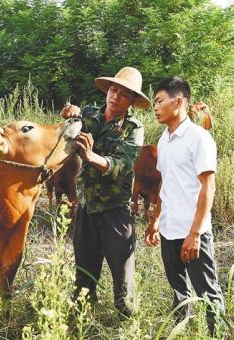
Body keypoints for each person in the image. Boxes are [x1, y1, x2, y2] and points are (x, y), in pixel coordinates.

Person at [61, 66, 150, 319]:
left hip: (115, 212)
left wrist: (90, 156)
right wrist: (69, 115)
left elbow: (121, 166)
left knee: (123, 283)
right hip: (86, 209)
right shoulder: (89, 115)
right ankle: (82, 323)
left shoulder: (134, 129)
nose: (115, 96)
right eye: (113, 90)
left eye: (124, 94)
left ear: (132, 100)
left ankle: (127, 323)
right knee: (84, 276)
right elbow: (66, 134)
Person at [145, 77, 225, 335]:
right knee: (179, 290)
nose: (155, 107)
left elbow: (207, 187)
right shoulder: (163, 140)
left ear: (178, 102)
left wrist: (195, 234)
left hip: (192, 232)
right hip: (169, 229)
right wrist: (156, 220)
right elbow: (165, 185)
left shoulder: (198, 138)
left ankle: (216, 334)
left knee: (208, 292)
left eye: (159, 101)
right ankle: (180, 331)